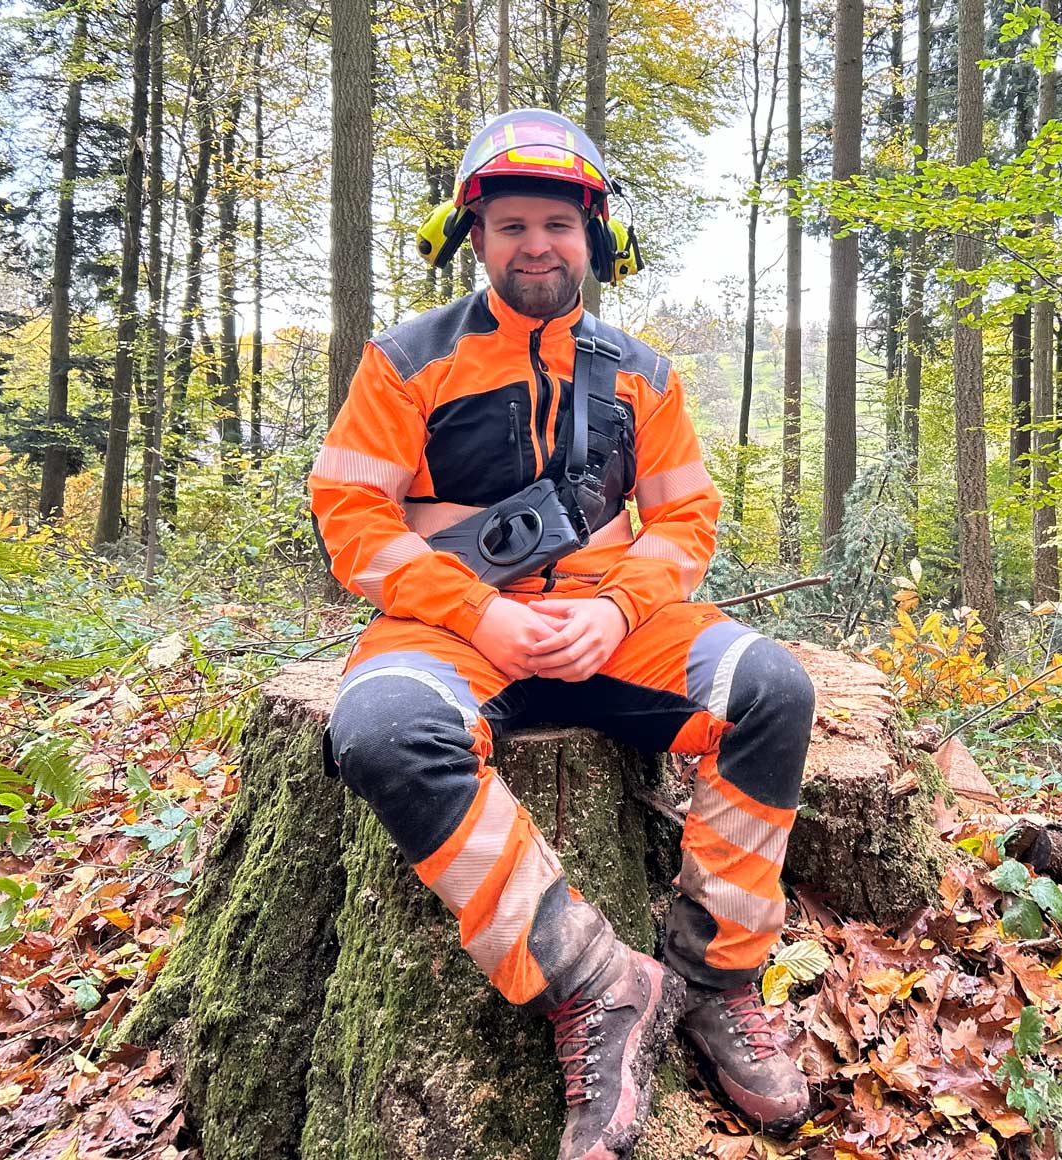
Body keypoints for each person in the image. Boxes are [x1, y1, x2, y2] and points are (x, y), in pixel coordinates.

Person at [310, 109, 814, 1160]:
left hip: (611, 624)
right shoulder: (406, 360)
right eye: (510, 226)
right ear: (474, 236)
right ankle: (594, 978)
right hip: (450, 628)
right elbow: (351, 517)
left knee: (770, 688)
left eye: (556, 223)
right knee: (384, 732)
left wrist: (616, 605)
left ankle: (716, 975)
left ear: (594, 236)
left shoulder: (645, 373)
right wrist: (478, 608)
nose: (535, 244)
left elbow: (686, 517)